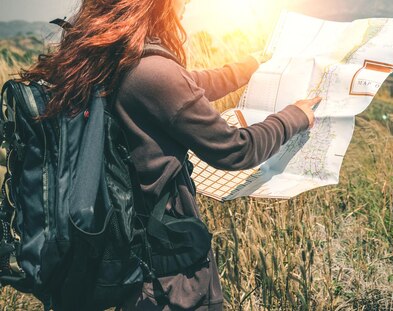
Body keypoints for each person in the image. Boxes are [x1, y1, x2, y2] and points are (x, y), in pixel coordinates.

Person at [21, 0, 320, 310]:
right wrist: (294, 117)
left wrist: (249, 66)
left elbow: (186, 87)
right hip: (166, 270)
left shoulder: (104, 59)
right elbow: (235, 149)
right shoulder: (152, 71)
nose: (186, 5)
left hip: (119, 257)